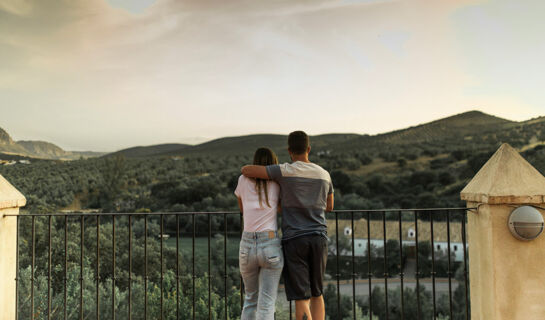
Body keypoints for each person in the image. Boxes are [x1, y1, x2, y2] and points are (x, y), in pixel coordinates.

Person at [242, 131, 334, 320]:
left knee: (301, 296)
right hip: (318, 238)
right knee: (318, 293)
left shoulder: (284, 170)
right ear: (308, 149)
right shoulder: (324, 174)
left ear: (289, 151)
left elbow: (247, 170)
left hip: (295, 240)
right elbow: (330, 206)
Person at [235, 147, 284, 320]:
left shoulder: (242, 180)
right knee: (266, 303)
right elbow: (280, 208)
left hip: (247, 244)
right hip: (269, 243)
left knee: (250, 300)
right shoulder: (277, 182)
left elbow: (242, 209)